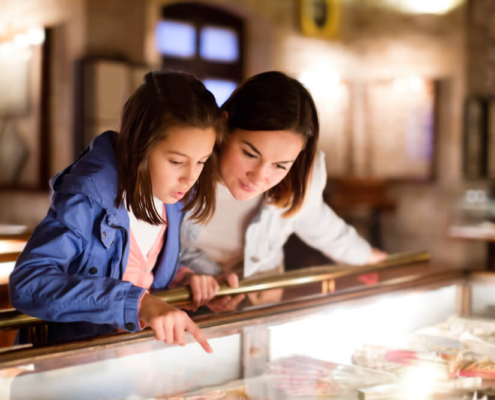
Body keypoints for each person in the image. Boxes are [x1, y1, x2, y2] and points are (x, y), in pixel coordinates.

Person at [9, 71, 225, 352]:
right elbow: (29, 283)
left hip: (129, 362)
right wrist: (136, 303)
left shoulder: (174, 199)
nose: (190, 178)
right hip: (70, 367)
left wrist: (183, 278)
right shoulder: (88, 199)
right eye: (176, 161)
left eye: (201, 162)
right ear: (139, 145)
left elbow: (141, 271)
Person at [180, 71, 387, 311]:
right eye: (250, 154)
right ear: (224, 127)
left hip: (258, 302)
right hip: (185, 298)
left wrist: (370, 257)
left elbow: (319, 224)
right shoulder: (184, 166)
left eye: (280, 166)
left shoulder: (299, 178)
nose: (259, 177)